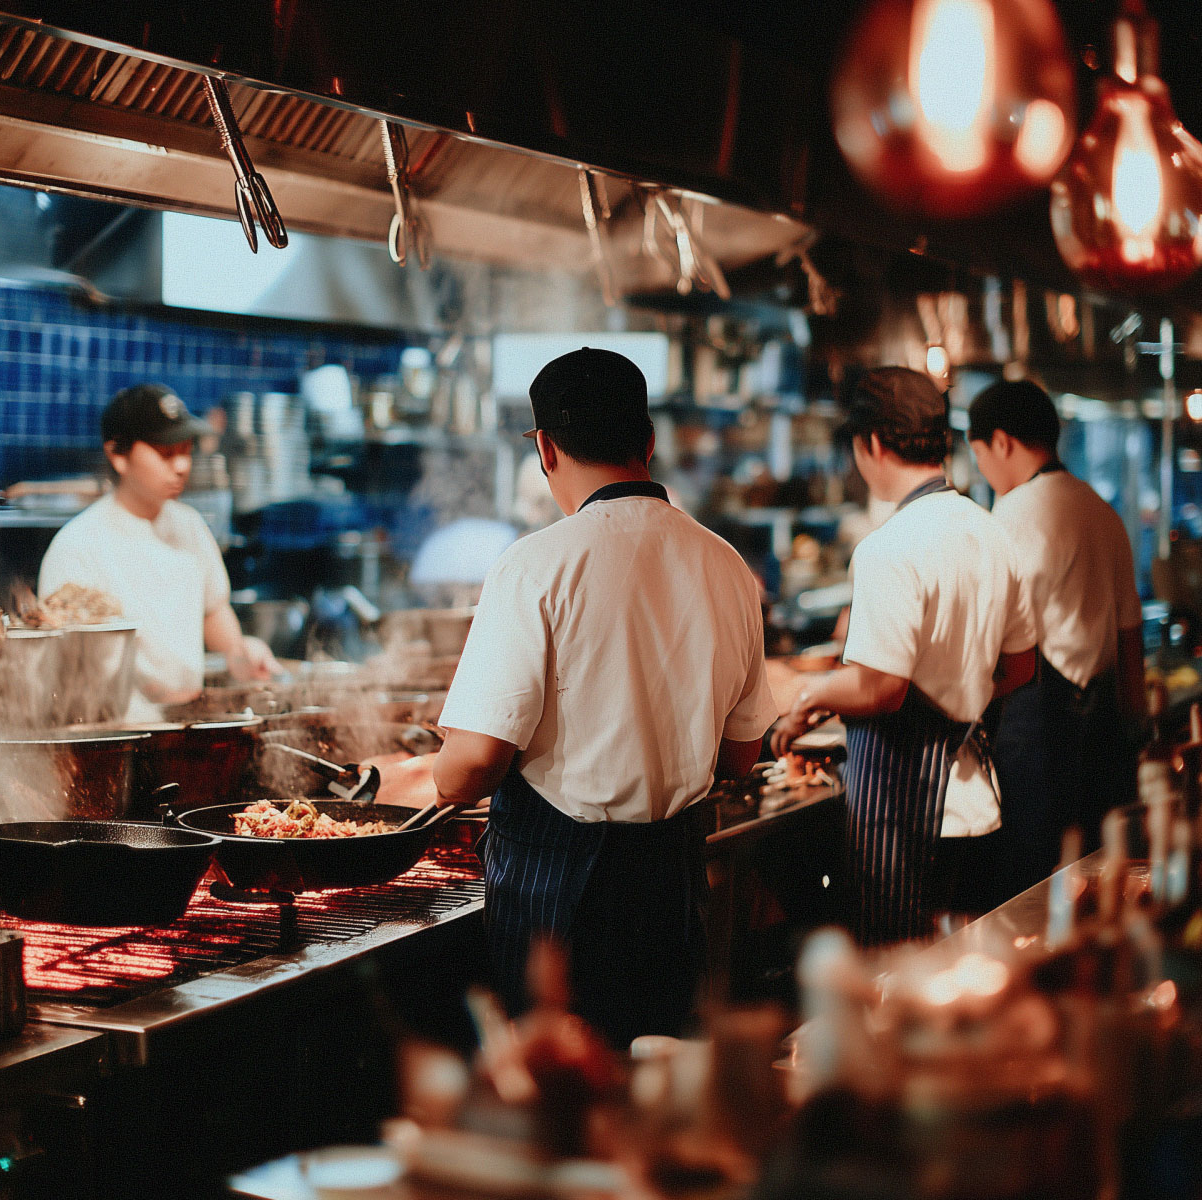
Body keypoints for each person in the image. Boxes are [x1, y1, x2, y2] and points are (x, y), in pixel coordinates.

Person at [428, 347, 776, 1047]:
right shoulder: (727, 566)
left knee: (559, 1094)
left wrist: (434, 773)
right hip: (674, 879)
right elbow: (743, 756)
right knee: (654, 1083)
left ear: (546, 449)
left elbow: (470, 767)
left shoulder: (533, 565)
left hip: (559, 885)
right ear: (647, 442)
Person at [772, 367, 1036, 946]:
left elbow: (878, 689)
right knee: (962, 985)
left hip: (906, 818)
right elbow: (1021, 668)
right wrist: (958, 698)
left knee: (893, 990)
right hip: (977, 806)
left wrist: (808, 697)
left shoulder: (888, 546)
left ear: (868, 445)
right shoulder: (992, 533)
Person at [967, 378, 1143, 895]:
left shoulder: (1014, 513)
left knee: (1032, 882)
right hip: (1106, 724)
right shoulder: (1103, 511)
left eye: (978, 453)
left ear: (1001, 442)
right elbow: (1130, 631)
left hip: (1038, 724)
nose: (981, 467)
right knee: (1098, 872)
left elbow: (995, 633)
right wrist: (1137, 727)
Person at [38, 384, 279, 722]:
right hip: (117, 735)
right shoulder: (78, 546)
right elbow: (63, 669)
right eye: (166, 453)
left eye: (185, 450)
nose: (181, 466)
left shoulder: (190, 526)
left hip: (189, 725)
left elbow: (213, 610)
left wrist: (240, 652)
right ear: (118, 455)